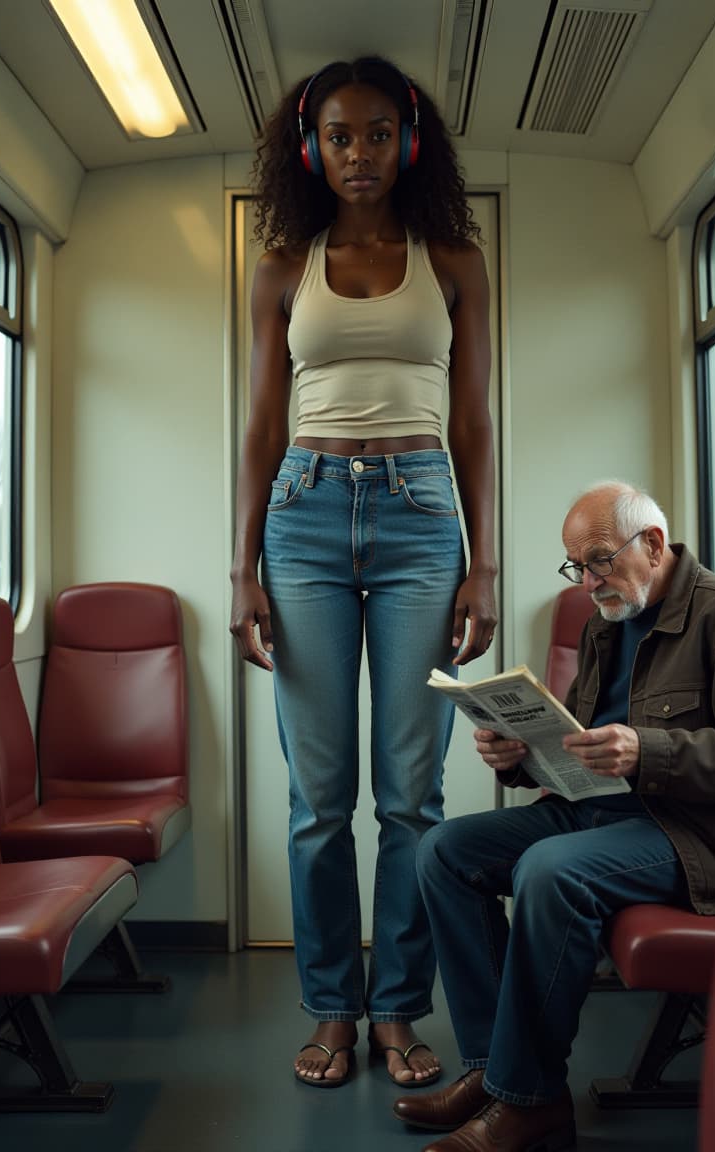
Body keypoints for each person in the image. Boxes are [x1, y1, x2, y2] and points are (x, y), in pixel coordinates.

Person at [229, 55, 497, 1088]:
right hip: (301, 518)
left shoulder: (456, 259)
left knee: (413, 797)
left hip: (423, 517)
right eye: (338, 136)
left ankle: (397, 1011)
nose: (357, 154)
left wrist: (484, 562)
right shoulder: (283, 265)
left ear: (409, 139)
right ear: (309, 146)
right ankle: (334, 1007)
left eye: (377, 133)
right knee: (318, 797)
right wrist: (243, 565)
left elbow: (471, 421)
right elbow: (260, 424)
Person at [393, 480, 715, 1151]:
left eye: (599, 558)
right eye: (577, 565)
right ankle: (493, 1071)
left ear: (653, 543)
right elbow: (575, 738)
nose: (588, 579)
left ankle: (530, 1103)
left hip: (691, 834)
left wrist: (648, 750)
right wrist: (516, 755)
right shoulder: (605, 616)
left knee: (551, 871)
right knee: (443, 851)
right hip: (598, 810)